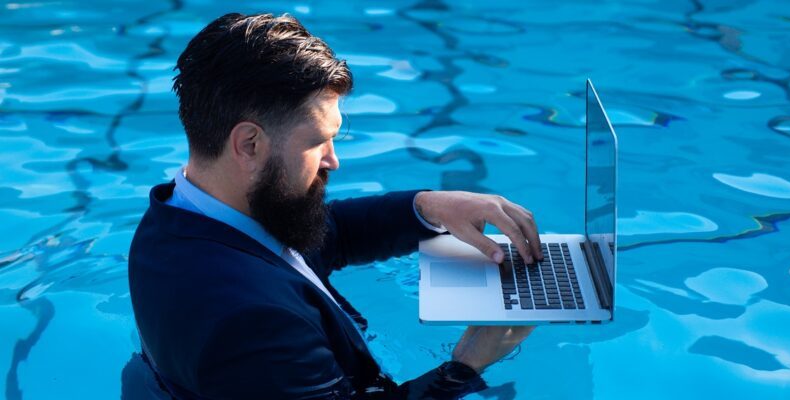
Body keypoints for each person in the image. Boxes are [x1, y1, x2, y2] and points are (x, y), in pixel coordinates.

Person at [129, 12, 542, 399]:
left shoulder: (180, 215)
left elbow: (328, 235)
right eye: (316, 142)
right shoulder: (249, 321)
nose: (333, 160)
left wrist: (430, 207)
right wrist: (468, 365)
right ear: (249, 144)